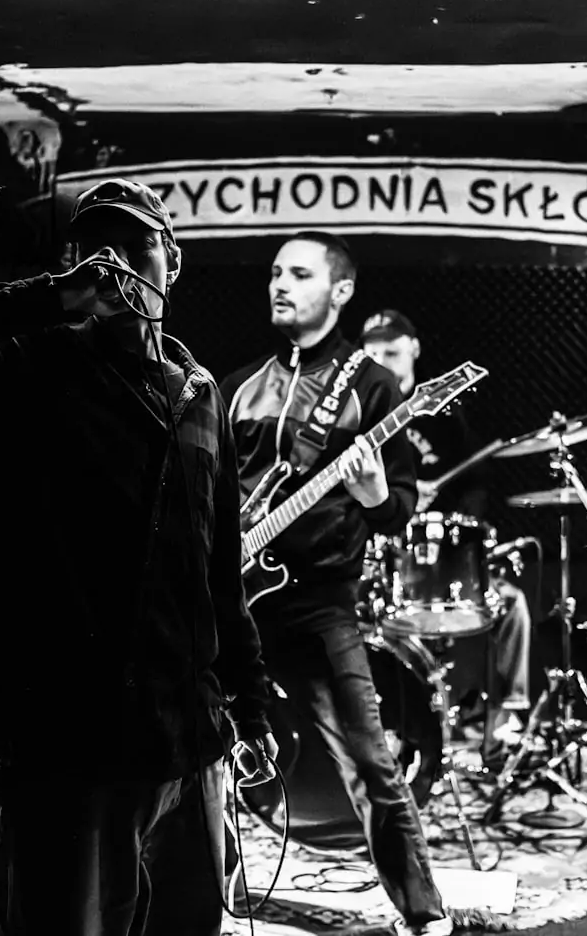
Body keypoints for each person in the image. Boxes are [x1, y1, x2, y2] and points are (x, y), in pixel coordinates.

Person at [0, 177, 277, 936]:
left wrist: (248, 703)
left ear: (172, 260)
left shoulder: (199, 392)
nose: (114, 263)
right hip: (70, 749)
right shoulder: (26, 368)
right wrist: (49, 297)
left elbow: (219, 569)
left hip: (186, 744)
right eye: (94, 249)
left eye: (134, 245)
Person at [221, 234, 451, 936]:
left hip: (320, 603)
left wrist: (376, 492)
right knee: (204, 753)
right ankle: (209, 892)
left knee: (369, 758)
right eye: (274, 273)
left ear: (341, 290)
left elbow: (399, 505)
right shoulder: (237, 387)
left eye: (299, 273)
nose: (280, 284)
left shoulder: (372, 386)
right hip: (232, 601)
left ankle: (424, 914)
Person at [360, 309, 532, 752]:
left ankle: (507, 721)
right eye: (373, 354)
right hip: (379, 563)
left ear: (415, 349)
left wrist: (455, 517)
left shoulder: (443, 417)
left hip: (438, 558)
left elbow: (477, 488)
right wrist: (397, 496)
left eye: (392, 352)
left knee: (512, 604)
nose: (382, 363)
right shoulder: (357, 416)